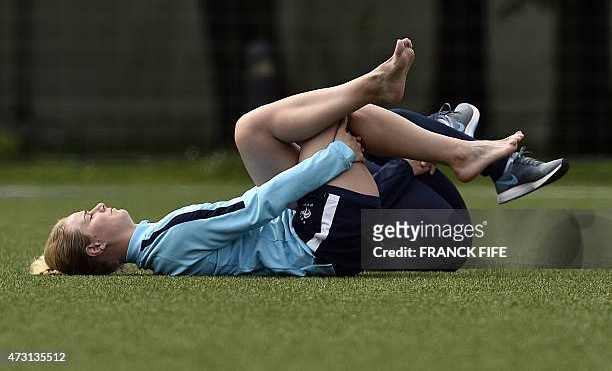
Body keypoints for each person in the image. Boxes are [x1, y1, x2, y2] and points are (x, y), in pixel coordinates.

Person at [30, 38, 565, 277]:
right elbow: (253, 209)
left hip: (310, 233)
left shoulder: (159, 244)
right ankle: (450, 140)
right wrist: (331, 160)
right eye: (88, 215)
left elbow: (252, 220)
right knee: (345, 119)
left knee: (249, 129)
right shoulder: (165, 241)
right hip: (317, 236)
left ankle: (439, 131)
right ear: (97, 244)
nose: (97, 205)